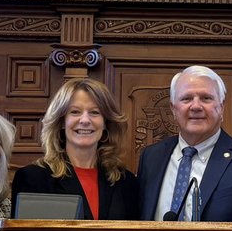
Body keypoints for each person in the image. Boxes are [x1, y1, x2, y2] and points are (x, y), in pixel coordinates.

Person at [137, 65, 232, 222]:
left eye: (206, 98)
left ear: (221, 107)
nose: (196, 106)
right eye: (186, 98)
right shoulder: (151, 157)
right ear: (173, 109)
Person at [12, 77, 138, 219]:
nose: (85, 120)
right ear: (61, 122)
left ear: (106, 123)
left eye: (95, 112)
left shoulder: (126, 182)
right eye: (75, 112)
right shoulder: (33, 178)